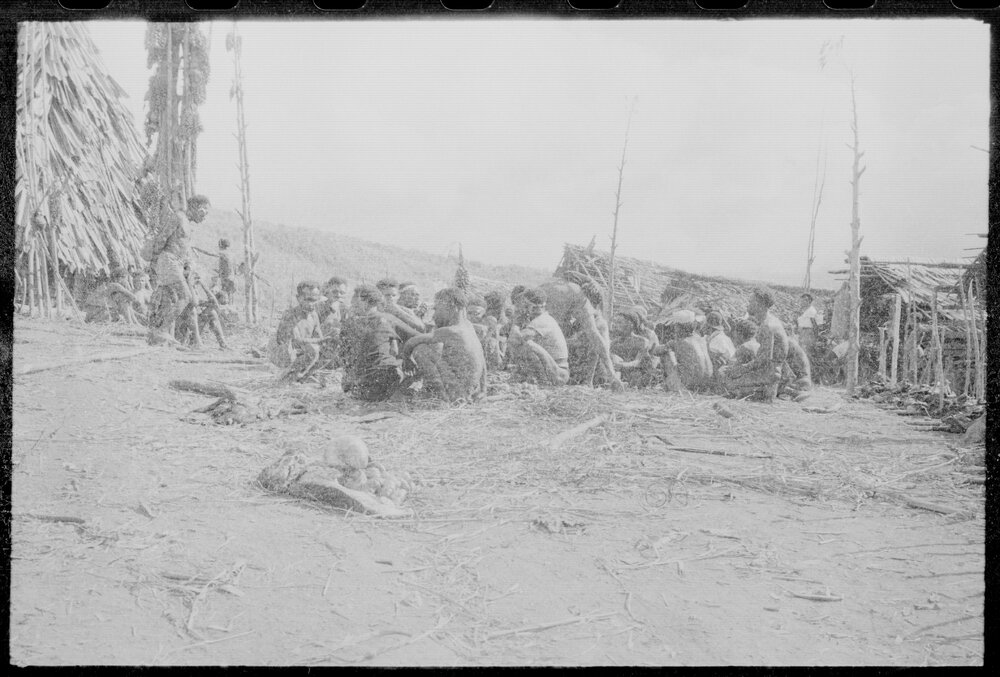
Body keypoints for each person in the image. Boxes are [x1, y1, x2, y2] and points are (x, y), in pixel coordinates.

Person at [401, 287, 487, 402]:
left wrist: (406, 358)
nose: (434, 315)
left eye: (437, 309)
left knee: (421, 350)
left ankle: (442, 398)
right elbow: (482, 360)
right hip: (471, 389)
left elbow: (412, 342)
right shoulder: (469, 326)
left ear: (451, 306)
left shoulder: (451, 331)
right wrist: (483, 389)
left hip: (458, 392)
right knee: (436, 350)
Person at [147, 194, 210, 346]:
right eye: (203, 213)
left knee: (187, 301)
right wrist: (155, 262)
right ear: (194, 207)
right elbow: (161, 239)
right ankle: (161, 331)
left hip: (176, 263)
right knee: (185, 296)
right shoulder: (178, 218)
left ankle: (187, 340)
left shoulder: (187, 223)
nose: (203, 217)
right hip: (169, 260)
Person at [538, 278, 623, 390]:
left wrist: (610, 373)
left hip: (593, 368)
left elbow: (598, 342)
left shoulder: (596, 320)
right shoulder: (576, 304)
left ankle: (588, 382)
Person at [718, 287, 789, 402]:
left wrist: (741, 369)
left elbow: (764, 359)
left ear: (759, 304)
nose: (748, 305)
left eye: (751, 302)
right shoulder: (770, 321)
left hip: (768, 375)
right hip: (770, 373)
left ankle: (761, 392)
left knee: (726, 381)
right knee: (730, 373)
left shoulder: (767, 326)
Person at [340, 284, 404, 401]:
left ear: (363, 301)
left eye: (354, 303)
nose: (352, 306)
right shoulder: (387, 319)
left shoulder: (350, 323)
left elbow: (345, 357)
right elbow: (395, 350)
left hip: (360, 385)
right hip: (387, 379)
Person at [506, 287, 570, 386]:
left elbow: (515, 340)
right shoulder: (540, 319)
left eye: (525, 305)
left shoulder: (543, 321)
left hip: (558, 374)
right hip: (554, 369)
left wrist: (516, 321)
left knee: (528, 344)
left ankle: (539, 380)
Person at [268, 281, 326, 382]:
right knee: (313, 351)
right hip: (285, 354)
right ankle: (289, 377)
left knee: (326, 348)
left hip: (301, 352)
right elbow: (296, 341)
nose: (311, 304)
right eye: (308, 300)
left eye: (315, 300)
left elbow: (318, 336)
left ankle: (304, 375)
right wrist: (319, 341)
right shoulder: (290, 314)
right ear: (298, 298)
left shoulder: (313, 315)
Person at [654, 309, 714, 392]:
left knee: (666, 353)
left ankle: (675, 386)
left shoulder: (678, 342)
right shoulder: (701, 339)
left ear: (678, 326)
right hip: (705, 382)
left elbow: (655, 351)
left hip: (690, 383)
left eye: (675, 325)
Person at [176, 269, 229, 350]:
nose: (197, 280)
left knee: (212, 312)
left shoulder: (194, 289)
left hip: (191, 328)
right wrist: (191, 285)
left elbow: (215, 304)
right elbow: (195, 303)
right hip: (181, 328)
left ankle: (223, 343)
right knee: (193, 310)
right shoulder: (184, 288)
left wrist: (204, 286)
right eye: (195, 278)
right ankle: (196, 342)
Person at [610, 308, 659, 388]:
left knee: (636, 374)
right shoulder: (614, 343)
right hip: (620, 372)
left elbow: (639, 361)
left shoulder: (642, 341)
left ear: (630, 324)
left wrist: (623, 365)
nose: (615, 325)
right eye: (615, 322)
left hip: (635, 372)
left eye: (619, 323)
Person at [781, 333, 813, 401]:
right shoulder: (790, 341)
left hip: (800, 382)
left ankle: (796, 393)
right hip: (804, 382)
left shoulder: (786, 343)